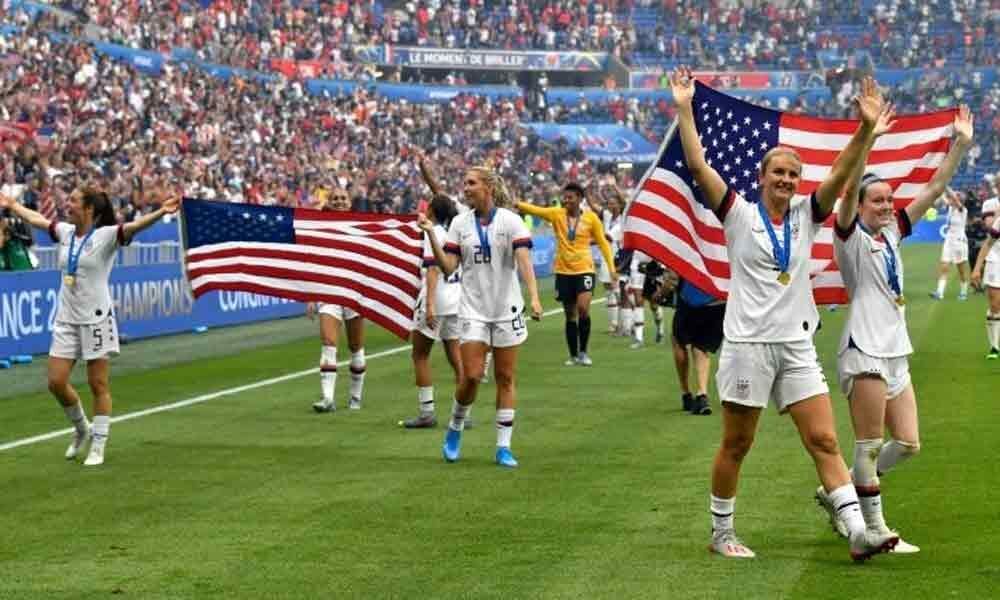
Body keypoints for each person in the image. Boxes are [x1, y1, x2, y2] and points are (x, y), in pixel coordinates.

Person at [669, 68, 898, 560]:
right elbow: (696, 162)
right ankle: (722, 533)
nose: (788, 181)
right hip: (749, 345)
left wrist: (864, 130)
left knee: (824, 438)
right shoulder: (738, 213)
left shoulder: (806, 214)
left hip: (795, 344)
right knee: (737, 444)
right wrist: (686, 108)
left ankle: (858, 530)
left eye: (794, 175)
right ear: (761, 177)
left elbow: (839, 175)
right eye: (779, 173)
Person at [817, 103, 973, 554]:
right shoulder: (848, 236)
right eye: (877, 200)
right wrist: (869, 137)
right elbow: (847, 190)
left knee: (907, 442)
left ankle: (840, 492)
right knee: (868, 444)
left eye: (889, 200)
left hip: (894, 348)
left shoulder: (892, 233)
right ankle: (873, 529)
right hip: (863, 346)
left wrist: (959, 145)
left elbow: (936, 186)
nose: (887, 206)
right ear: (861, 205)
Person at [0, 186, 179, 466]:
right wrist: (13, 205)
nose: (66, 204)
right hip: (66, 319)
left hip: (96, 319)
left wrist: (160, 212)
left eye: (72, 200)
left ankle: (98, 444)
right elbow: (37, 220)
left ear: (89, 210)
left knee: (98, 384)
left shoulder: (106, 236)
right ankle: (82, 428)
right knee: (56, 382)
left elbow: (133, 227)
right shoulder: (66, 233)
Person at [419, 166, 543, 468]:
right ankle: (455, 427)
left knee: (505, 377)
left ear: (488, 187)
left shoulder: (511, 221)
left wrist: (535, 297)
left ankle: (503, 447)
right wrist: (431, 235)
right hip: (473, 309)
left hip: (506, 310)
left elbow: (524, 262)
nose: (465, 187)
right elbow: (448, 267)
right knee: (472, 375)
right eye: (464, 183)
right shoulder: (460, 224)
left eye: (471, 183)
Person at [517, 182, 616, 366]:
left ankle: (584, 352)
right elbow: (535, 210)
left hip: (584, 269)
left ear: (579, 199)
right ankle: (573, 355)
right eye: (565, 197)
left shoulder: (591, 218)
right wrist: (517, 204)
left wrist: (611, 269)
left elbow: (603, 243)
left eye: (570, 197)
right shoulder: (556, 214)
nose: (566, 200)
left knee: (583, 309)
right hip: (563, 271)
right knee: (570, 315)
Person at [402, 194, 464, 428]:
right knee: (456, 358)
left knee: (420, 355)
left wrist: (429, 305)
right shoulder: (454, 232)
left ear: (431, 211)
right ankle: (463, 413)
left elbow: (432, 270)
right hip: (456, 300)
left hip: (437, 300)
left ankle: (427, 412)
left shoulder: (434, 233)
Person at [308, 189, 367, 413]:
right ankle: (327, 399)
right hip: (329, 291)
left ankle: (355, 398)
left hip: (353, 293)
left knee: (356, 348)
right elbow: (313, 262)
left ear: (350, 202)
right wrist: (311, 295)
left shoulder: (360, 228)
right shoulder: (321, 230)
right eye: (335, 199)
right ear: (329, 204)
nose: (340, 201)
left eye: (343, 198)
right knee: (328, 344)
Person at [670, 279, 725, 416]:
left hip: (691, 296)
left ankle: (686, 393)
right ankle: (702, 394)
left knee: (678, 341)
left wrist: (660, 293)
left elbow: (672, 277)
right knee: (701, 346)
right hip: (719, 300)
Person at [930, 189, 971, 300]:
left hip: (959, 241)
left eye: (955, 197)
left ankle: (963, 292)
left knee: (961, 269)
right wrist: (941, 187)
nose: (952, 199)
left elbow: (952, 196)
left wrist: (945, 186)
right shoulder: (950, 208)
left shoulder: (963, 210)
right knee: (944, 266)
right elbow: (943, 196)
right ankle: (940, 292)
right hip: (949, 240)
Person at [972, 210, 1000, 359]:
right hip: (996, 261)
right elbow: (988, 243)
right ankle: (994, 347)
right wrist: (977, 268)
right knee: (995, 305)